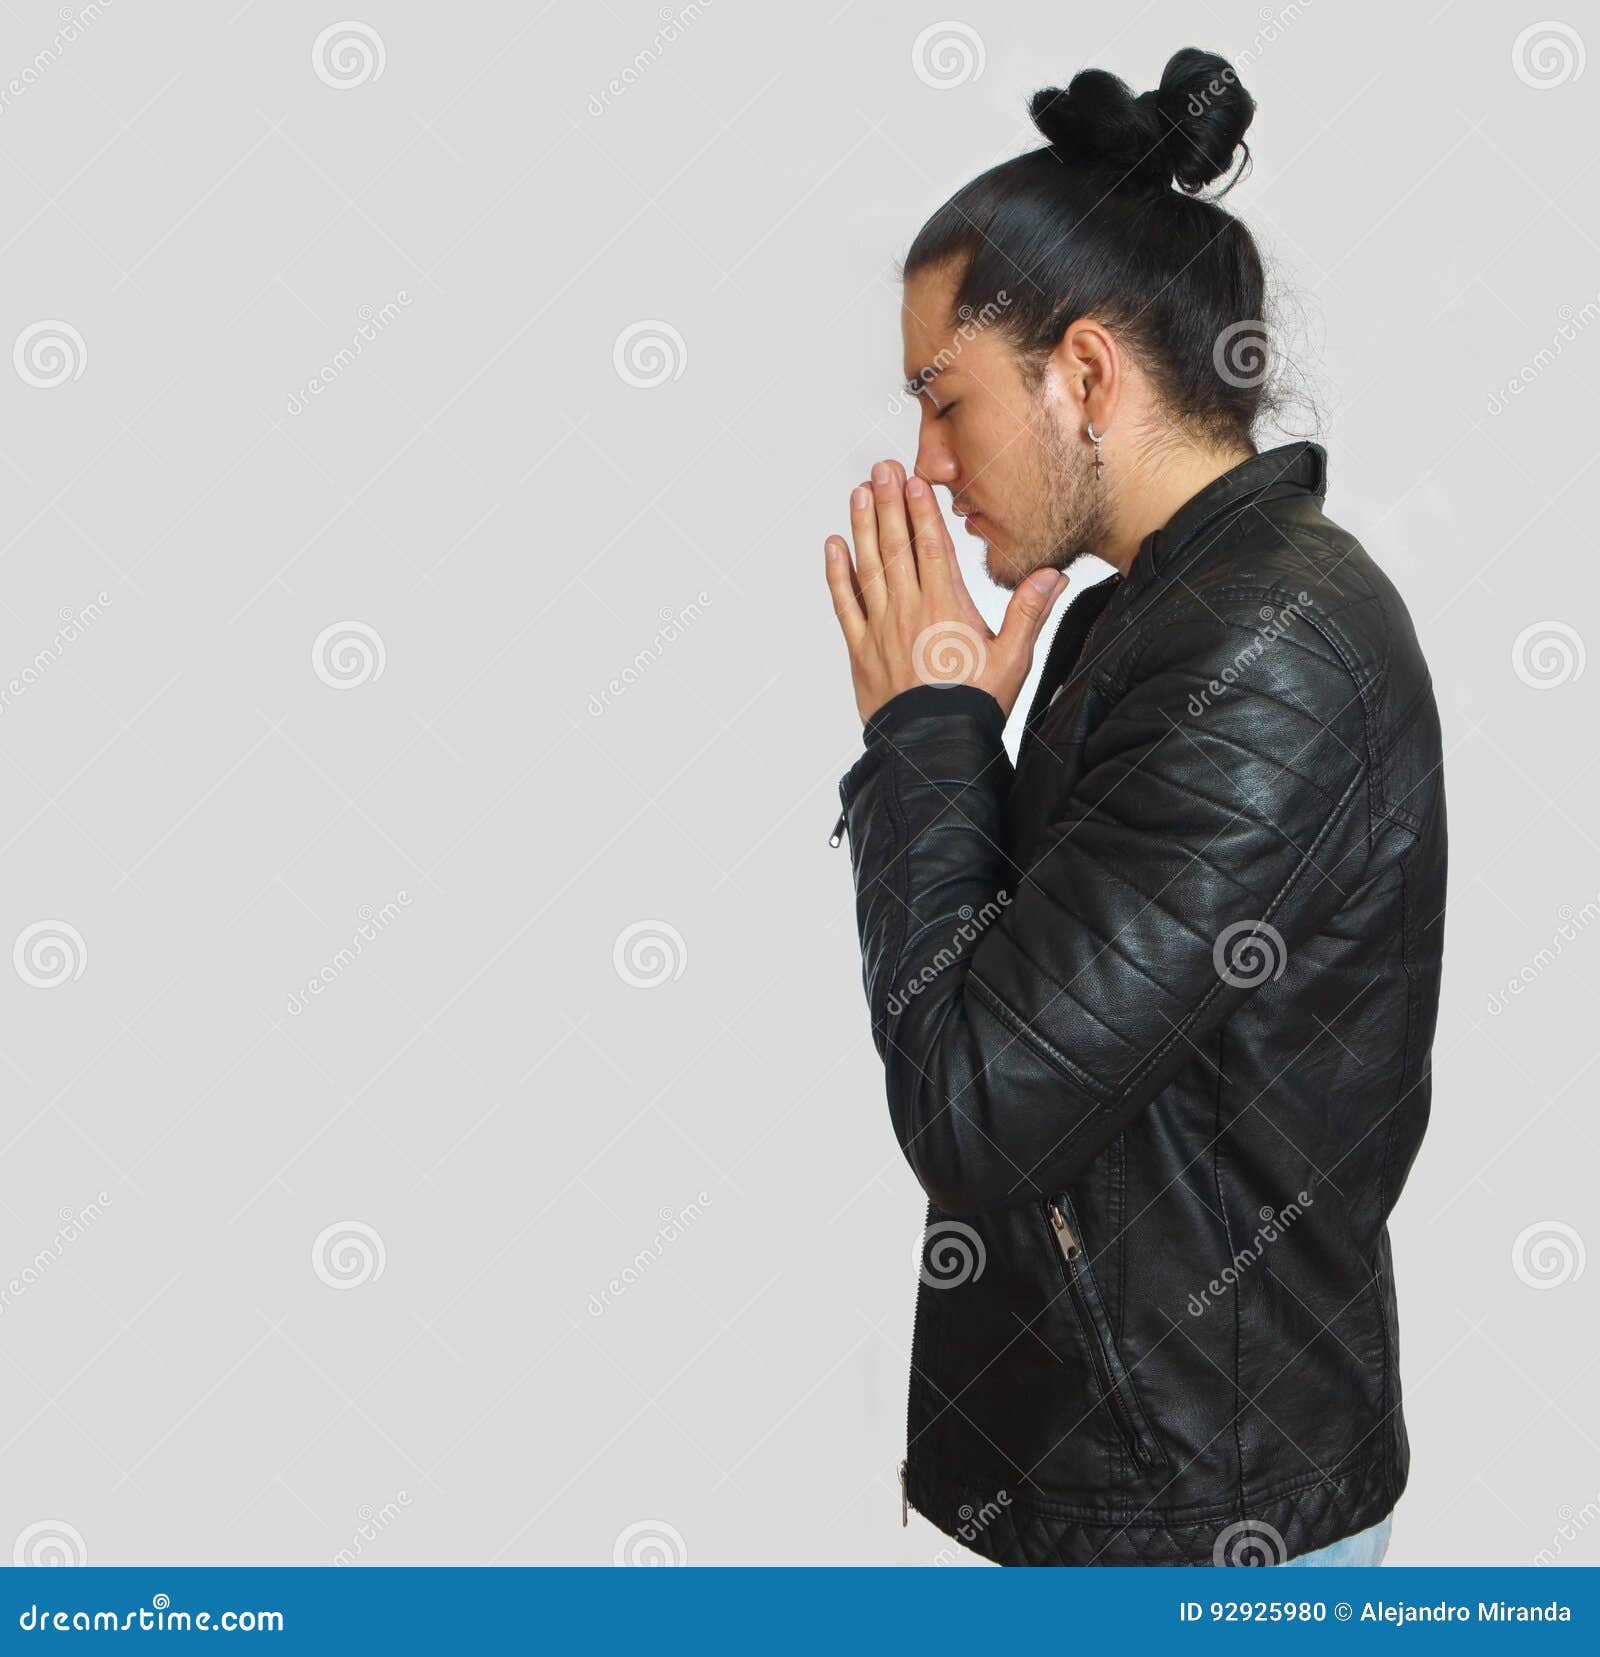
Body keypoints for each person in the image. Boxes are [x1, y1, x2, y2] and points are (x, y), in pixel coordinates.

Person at [823, 47, 1445, 1567]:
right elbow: (1016, 1017)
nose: (926, 463)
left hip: (1191, 1524)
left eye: (945, 400)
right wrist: (954, 726)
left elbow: (973, 1107)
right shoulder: (1150, 617)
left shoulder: (1264, 648)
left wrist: (925, 732)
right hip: (1119, 1487)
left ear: (1085, 373)